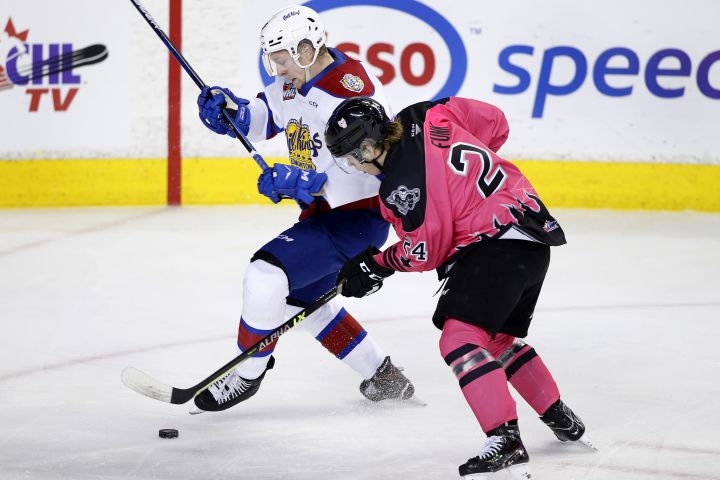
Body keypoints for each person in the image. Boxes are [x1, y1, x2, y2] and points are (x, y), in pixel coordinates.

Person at [325, 96, 593, 478]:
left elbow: (425, 252)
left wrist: (376, 264)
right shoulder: (427, 113)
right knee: (496, 339)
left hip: (496, 246)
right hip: (531, 237)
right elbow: (496, 124)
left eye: (351, 157)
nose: (352, 165)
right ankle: (558, 415)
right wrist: (460, 183)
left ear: (369, 148)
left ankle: (506, 438)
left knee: (459, 341)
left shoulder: (401, 187)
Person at [192, 5, 414, 412]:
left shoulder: (352, 91)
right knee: (303, 300)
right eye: (272, 61)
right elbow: (264, 118)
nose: (277, 70)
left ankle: (247, 375)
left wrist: (306, 182)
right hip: (325, 215)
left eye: (282, 60)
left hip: (357, 220)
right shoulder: (296, 79)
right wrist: (233, 113)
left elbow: (372, 168)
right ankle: (381, 375)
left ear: (307, 49)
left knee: (264, 277)